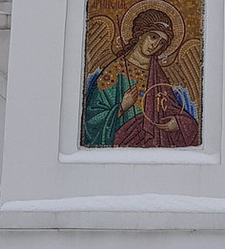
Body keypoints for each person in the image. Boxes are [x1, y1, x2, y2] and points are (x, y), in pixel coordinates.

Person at [82, 8, 198, 147]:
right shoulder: (113, 72)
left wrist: (178, 123)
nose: (155, 45)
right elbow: (91, 121)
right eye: (153, 36)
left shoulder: (158, 76)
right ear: (140, 34)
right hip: (122, 143)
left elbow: (172, 108)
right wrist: (121, 108)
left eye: (161, 42)